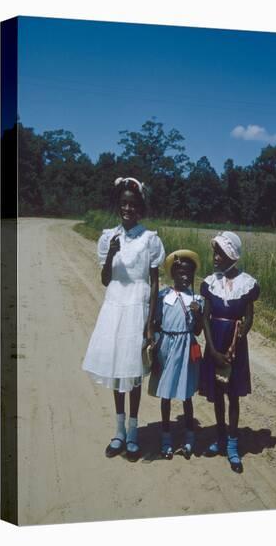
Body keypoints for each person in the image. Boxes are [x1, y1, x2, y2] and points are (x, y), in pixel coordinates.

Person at [82, 177, 165, 462]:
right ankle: (118, 431)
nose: (128, 208)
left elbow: (154, 282)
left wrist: (151, 320)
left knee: (134, 371)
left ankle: (133, 432)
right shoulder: (109, 238)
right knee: (118, 370)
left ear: (140, 208)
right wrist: (111, 255)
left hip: (137, 308)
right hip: (115, 306)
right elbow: (105, 279)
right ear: (119, 207)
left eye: (133, 204)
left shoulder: (150, 239)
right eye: (124, 204)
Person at [199, 231, 260, 473]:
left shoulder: (247, 284)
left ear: (232, 256)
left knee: (232, 394)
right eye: (215, 252)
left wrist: (238, 339)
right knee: (217, 392)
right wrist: (212, 350)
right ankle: (220, 436)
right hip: (215, 341)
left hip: (235, 347)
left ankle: (233, 444)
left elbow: (249, 317)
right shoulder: (209, 283)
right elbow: (205, 318)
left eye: (221, 253)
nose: (215, 257)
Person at [149, 250, 203, 460]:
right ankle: (166, 438)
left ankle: (189, 437)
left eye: (188, 273)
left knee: (186, 393)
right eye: (180, 272)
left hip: (186, 347)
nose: (184, 276)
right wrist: (153, 350)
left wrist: (198, 313)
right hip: (166, 347)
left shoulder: (196, 299)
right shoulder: (163, 296)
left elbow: (198, 330)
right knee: (166, 393)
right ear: (172, 274)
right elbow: (155, 324)